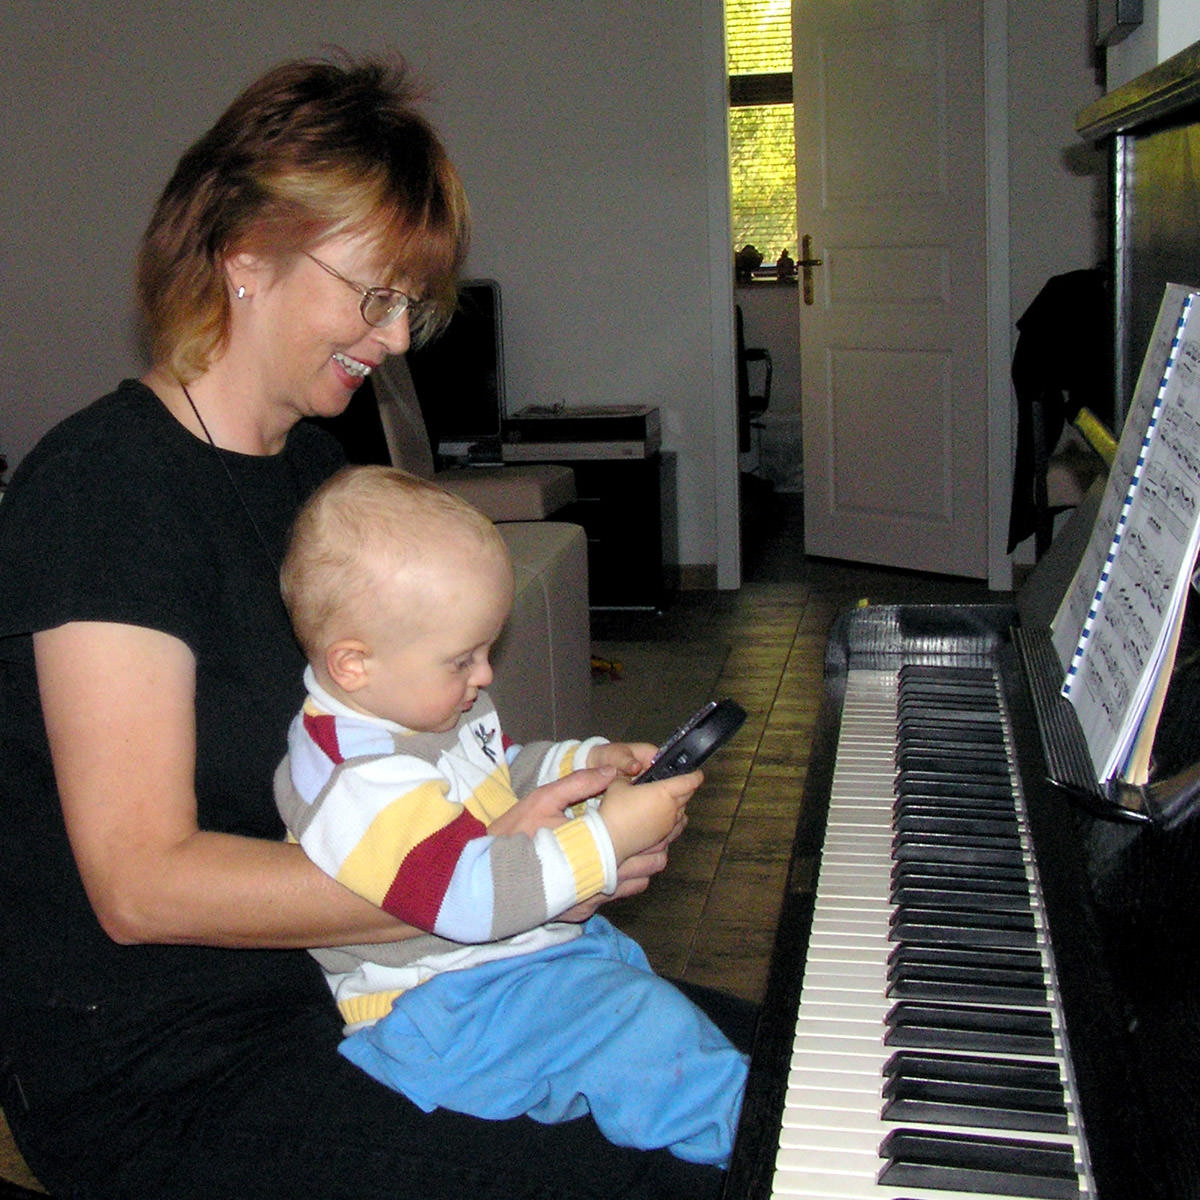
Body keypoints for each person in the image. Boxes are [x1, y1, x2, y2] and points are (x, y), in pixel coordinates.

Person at [0, 51, 755, 1199]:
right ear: (244, 257)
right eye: (376, 292)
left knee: (778, 1072)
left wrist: (529, 811)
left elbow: (380, 766)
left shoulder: (312, 470)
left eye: (412, 300)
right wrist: (515, 878)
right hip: (172, 1070)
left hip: (375, 986)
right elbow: (142, 885)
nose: (399, 337)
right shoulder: (104, 492)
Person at [275, 465, 748, 1165]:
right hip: (441, 1009)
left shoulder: (411, 703)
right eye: (462, 659)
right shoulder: (352, 781)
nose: (486, 676)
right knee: (643, 1031)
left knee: (638, 1002)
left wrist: (582, 766)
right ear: (354, 664)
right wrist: (607, 838)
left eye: (486, 652)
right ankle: (766, 1153)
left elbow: (493, 776)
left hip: (496, 974)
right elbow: (467, 894)